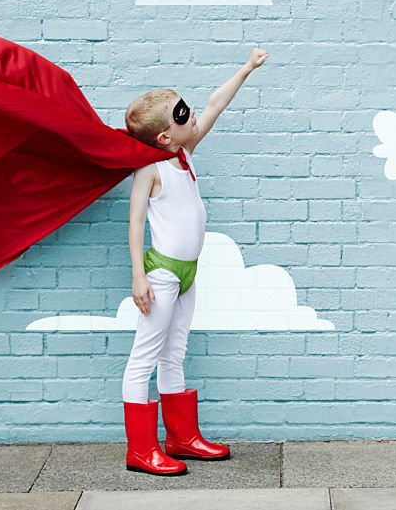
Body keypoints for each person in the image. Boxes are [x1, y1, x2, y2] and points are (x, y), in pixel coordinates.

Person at [118, 49, 268, 475]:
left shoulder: (182, 154)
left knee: (174, 352)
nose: (191, 117)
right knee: (144, 356)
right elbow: (134, 225)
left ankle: (181, 437)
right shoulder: (151, 169)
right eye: (181, 114)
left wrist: (245, 68)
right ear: (164, 136)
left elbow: (215, 104)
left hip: (187, 274)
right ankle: (140, 450)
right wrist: (138, 277)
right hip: (162, 273)